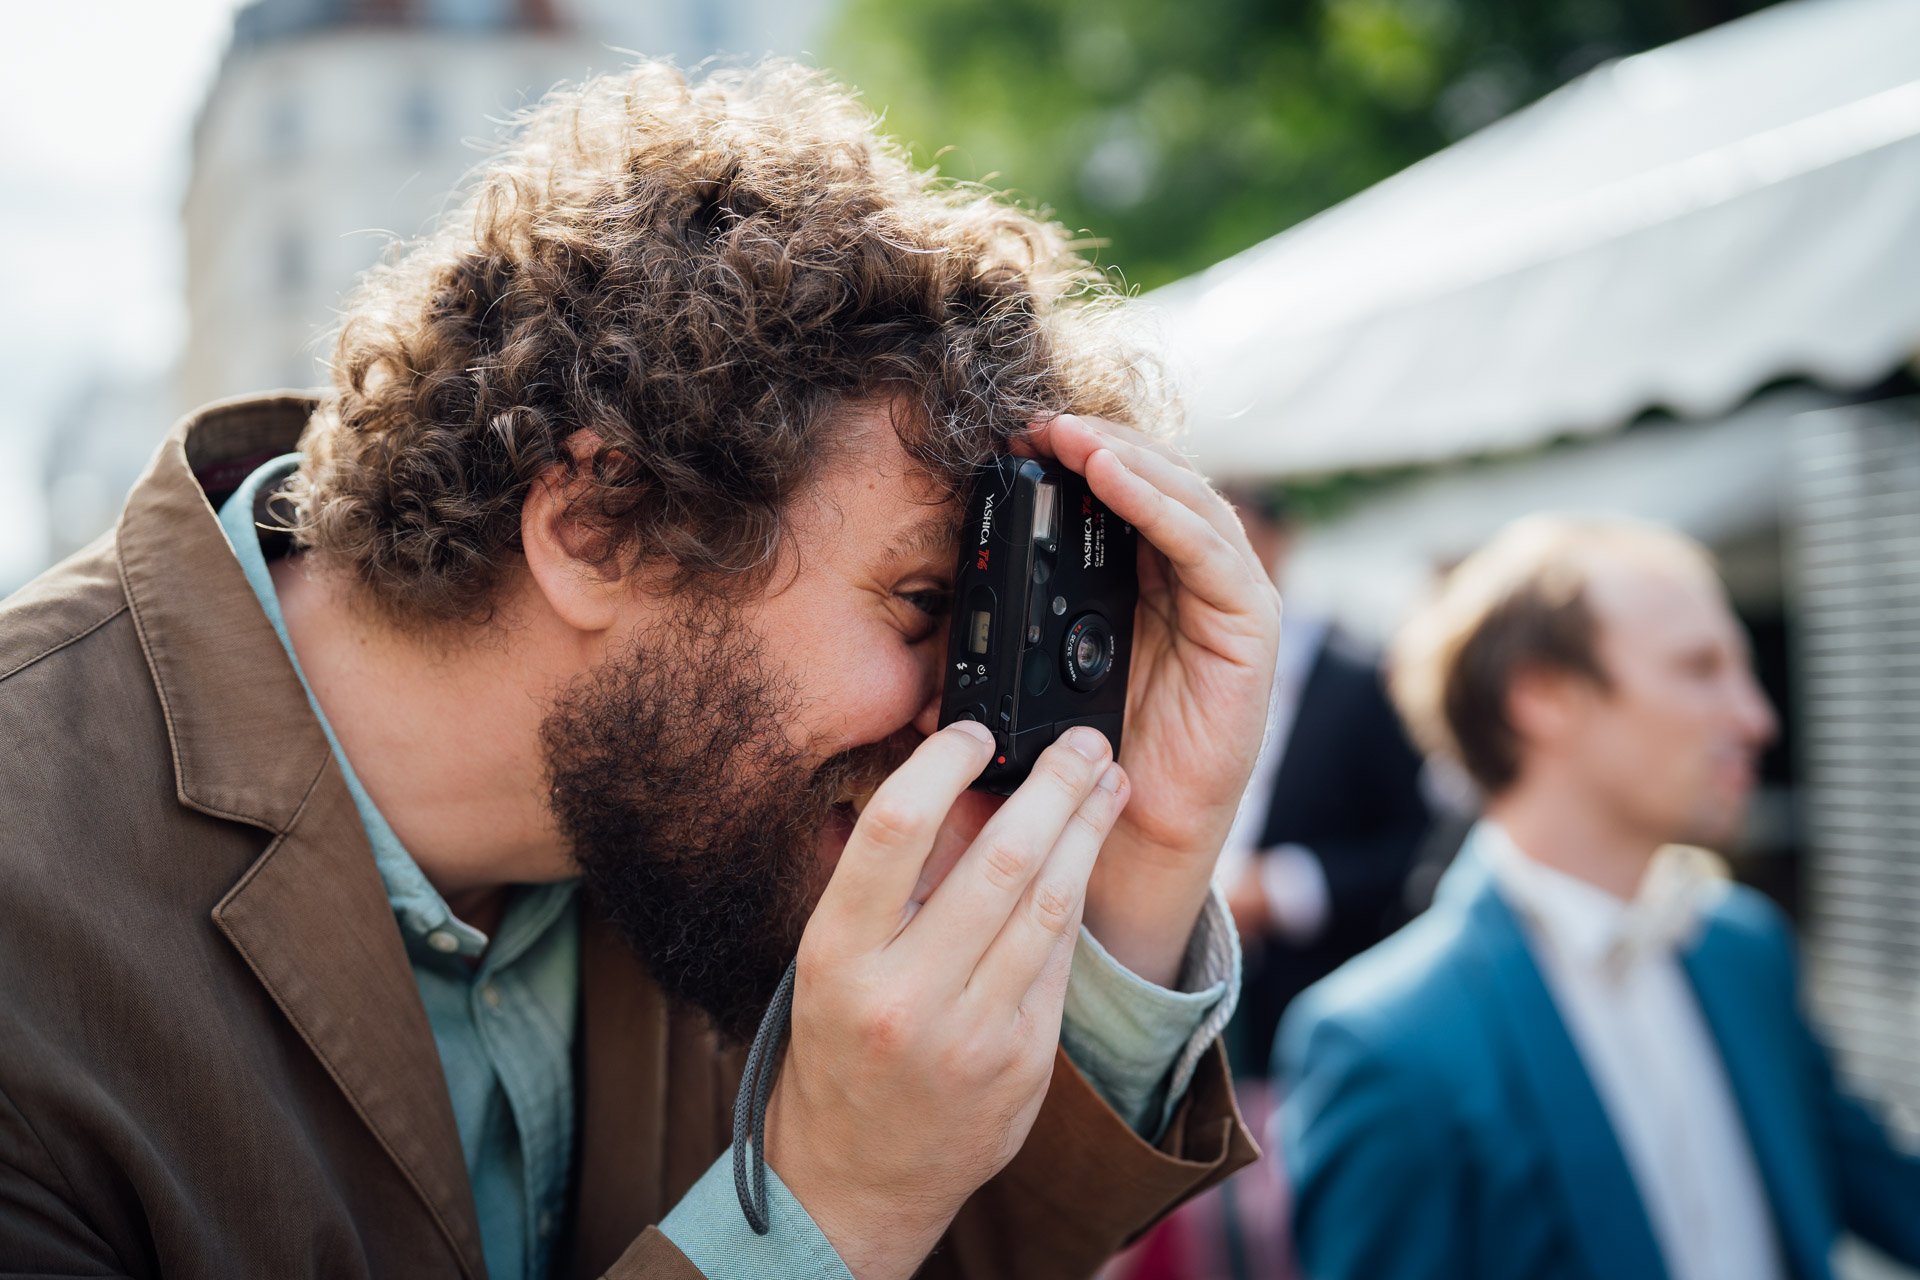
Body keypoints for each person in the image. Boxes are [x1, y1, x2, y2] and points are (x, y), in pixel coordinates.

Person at [0, 61, 1280, 1280]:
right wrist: (821, 1210)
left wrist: (1140, 863)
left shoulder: (687, 819)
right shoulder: (28, 905)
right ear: (597, 525)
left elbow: (941, 1249)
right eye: (923, 603)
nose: (964, 719)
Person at [1277, 515, 1920, 1280]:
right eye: (1699, 668)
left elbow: (1886, 1188)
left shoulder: (1746, 949)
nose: (1756, 718)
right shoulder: (1388, 1042)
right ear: (1542, 696)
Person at [1214, 487, 1432, 1079]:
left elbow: (1416, 848)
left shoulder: (1365, 678)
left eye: (1234, 532)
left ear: (1283, 540)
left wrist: (1283, 889)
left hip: (1318, 1000)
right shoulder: (1155, 663)